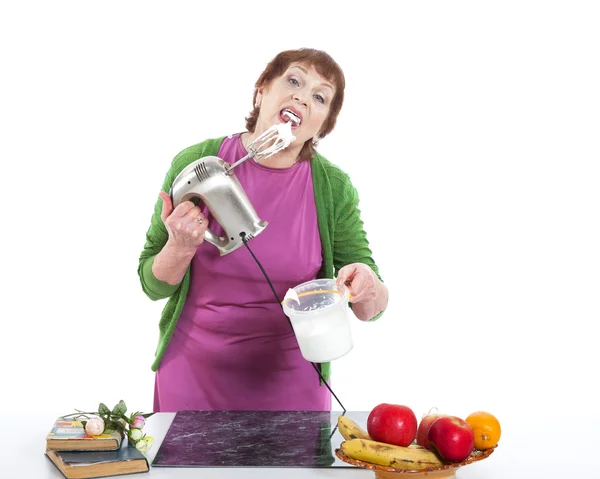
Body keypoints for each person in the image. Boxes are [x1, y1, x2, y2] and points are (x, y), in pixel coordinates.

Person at [138, 48, 389, 412]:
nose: (302, 96)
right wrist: (178, 247)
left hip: (291, 383)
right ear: (261, 90)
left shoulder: (333, 185)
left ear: (323, 124)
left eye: (319, 96)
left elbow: (372, 309)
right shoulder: (198, 164)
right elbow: (152, 284)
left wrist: (366, 282)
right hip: (192, 377)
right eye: (293, 80)